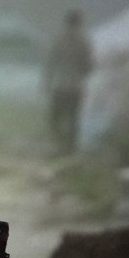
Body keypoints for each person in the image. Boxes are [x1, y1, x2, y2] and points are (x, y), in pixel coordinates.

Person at [43, 10, 94, 156]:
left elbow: (89, 66)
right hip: (63, 85)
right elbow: (51, 63)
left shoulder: (82, 43)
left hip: (72, 86)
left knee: (72, 118)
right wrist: (47, 82)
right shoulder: (62, 41)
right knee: (57, 116)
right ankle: (58, 144)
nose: (72, 28)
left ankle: (69, 147)